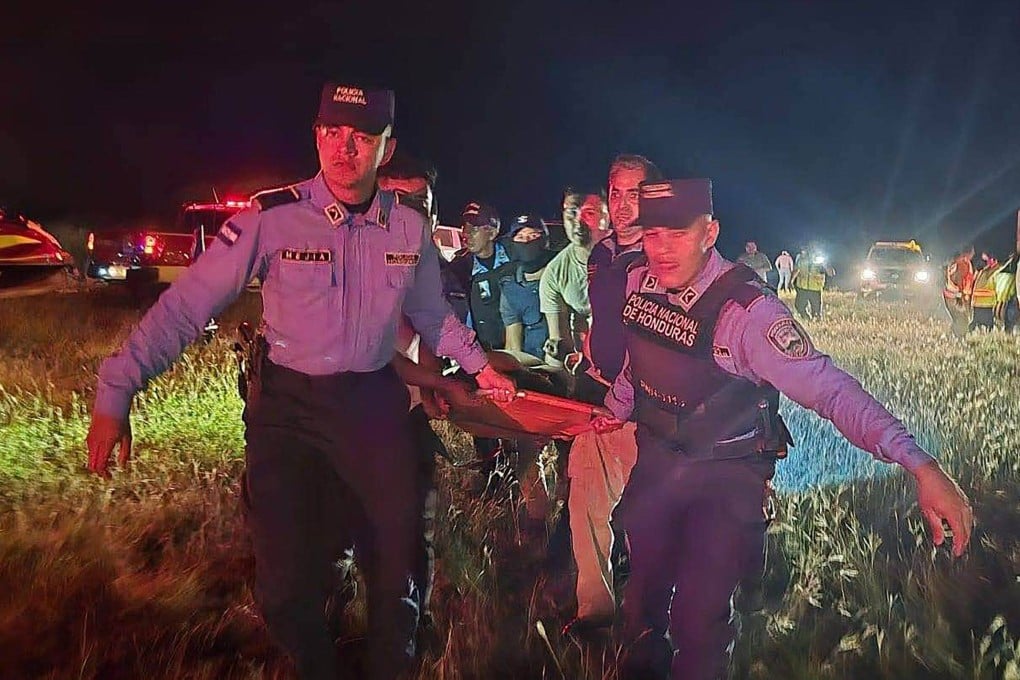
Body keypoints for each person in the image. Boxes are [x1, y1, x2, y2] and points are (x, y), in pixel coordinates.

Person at [85, 82, 515, 680]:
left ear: (385, 150)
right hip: (288, 409)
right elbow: (187, 307)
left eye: (364, 138)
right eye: (334, 134)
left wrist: (482, 368)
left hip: (369, 404)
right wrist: (117, 389)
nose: (346, 150)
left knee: (400, 562)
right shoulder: (271, 219)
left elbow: (432, 316)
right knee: (285, 587)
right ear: (316, 136)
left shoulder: (407, 232)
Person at [592, 178, 973, 680]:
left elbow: (832, 391)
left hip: (724, 480)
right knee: (641, 602)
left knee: (698, 623)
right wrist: (617, 408)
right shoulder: (640, 281)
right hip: (657, 464)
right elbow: (636, 365)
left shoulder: (748, 315)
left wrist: (919, 463)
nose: (661, 250)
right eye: (652, 235)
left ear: (710, 233)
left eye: (677, 235)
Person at [563, 153, 663, 635]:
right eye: (616, 192)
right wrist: (587, 346)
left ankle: (650, 621)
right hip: (600, 395)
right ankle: (595, 609)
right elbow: (602, 318)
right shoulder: (601, 254)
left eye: (634, 193)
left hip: (645, 406)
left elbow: (655, 339)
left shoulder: (662, 256)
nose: (623, 205)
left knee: (645, 513)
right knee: (585, 499)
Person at [540, 190, 608, 365]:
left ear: (606, 216)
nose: (578, 222)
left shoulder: (628, 256)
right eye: (572, 213)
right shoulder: (555, 272)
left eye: (589, 213)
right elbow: (559, 339)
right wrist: (558, 349)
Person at [445, 202, 511, 351]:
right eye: (465, 227)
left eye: (473, 229)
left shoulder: (514, 256)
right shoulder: (458, 268)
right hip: (481, 352)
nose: (466, 234)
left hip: (519, 348)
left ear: (492, 233)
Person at [499, 215, 553, 360]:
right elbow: (512, 345)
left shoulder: (561, 273)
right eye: (520, 237)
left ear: (544, 239)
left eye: (533, 235)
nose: (527, 241)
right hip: (536, 367)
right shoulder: (511, 287)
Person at [792, 244, 834, 320]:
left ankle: (816, 324)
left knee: (816, 312)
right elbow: (796, 269)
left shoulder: (821, 260)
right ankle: (807, 318)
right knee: (799, 306)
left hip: (815, 288)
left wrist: (825, 264)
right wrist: (790, 281)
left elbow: (831, 273)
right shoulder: (801, 259)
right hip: (802, 287)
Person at [943, 246, 975, 338]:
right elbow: (960, 279)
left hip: (950, 295)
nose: (973, 255)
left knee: (957, 318)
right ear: (968, 253)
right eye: (972, 253)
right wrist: (960, 296)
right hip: (956, 296)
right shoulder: (962, 264)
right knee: (962, 319)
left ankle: (953, 336)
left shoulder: (954, 262)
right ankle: (958, 337)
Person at [970, 252, 999, 331]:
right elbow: (997, 268)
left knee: (977, 323)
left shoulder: (980, 272)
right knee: (988, 325)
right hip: (985, 304)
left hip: (978, 304)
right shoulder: (987, 272)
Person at [993, 251, 1017, 332]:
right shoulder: (1007, 274)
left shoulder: (999, 273)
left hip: (1003, 295)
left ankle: (1004, 328)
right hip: (1009, 295)